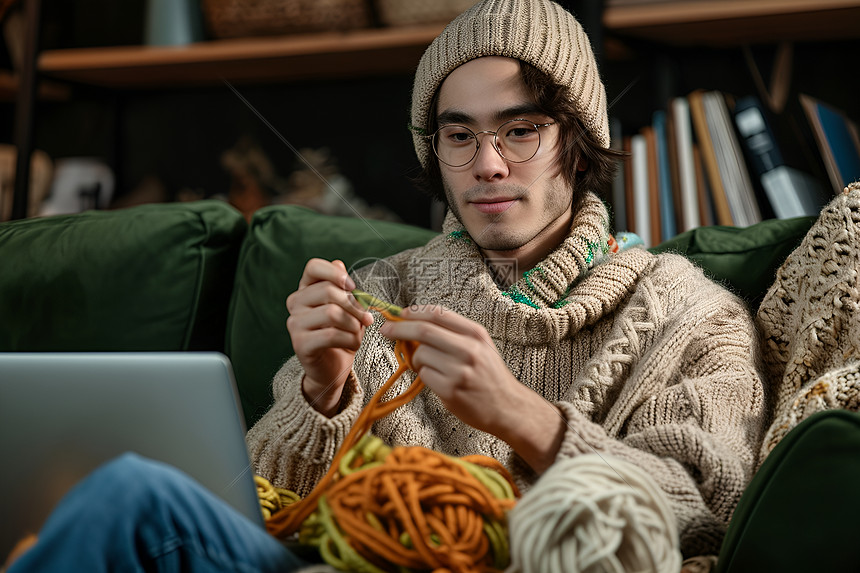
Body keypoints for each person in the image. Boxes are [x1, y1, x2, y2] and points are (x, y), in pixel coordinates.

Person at [6, 0, 771, 570]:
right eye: (459, 135)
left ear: (579, 142)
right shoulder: (384, 292)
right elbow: (259, 506)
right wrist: (324, 393)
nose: (489, 163)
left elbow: (703, 515)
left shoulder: (691, 314)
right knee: (133, 493)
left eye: (522, 129)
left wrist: (521, 415)